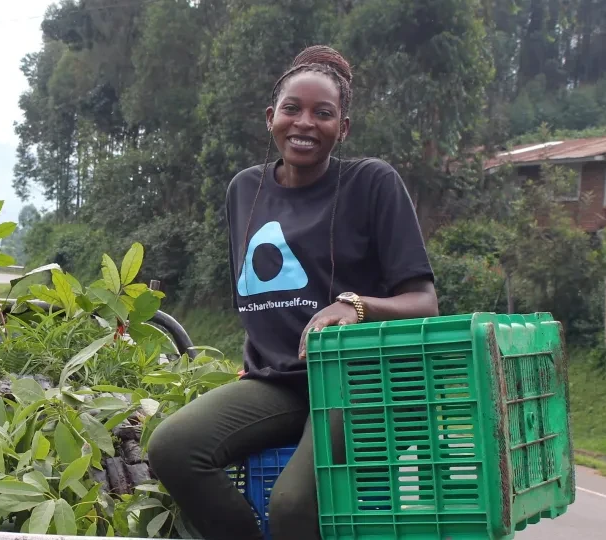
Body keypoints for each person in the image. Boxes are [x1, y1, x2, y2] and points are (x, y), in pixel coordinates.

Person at [148, 45, 439, 540]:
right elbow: (260, 296)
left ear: (342, 128)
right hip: (281, 383)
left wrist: (355, 306)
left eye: (323, 113)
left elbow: (424, 302)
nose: (305, 123)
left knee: (292, 504)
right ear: (271, 117)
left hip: (362, 383)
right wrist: (256, 356)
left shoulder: (373, 183)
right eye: (292, 109)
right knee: (172, 448)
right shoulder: (245, 190)